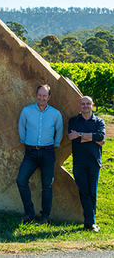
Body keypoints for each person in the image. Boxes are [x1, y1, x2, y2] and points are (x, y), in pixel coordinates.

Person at [16, 84, 63, 224]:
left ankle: (45, 217)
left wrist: (55, 144)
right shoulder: (26, 111)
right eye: (39, 95)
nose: (41, 98)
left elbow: (59, 130)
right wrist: (24, 140)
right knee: (21, 180)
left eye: (44, 95)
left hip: (48, 152)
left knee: (47, 185)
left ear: (49, 97)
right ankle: (29, 213)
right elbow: (21, 126)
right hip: (30, 152)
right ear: (36, 95)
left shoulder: (55, 113)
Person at [68, 96, 105, 232]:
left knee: (92, 192)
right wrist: (92, 138)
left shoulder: (99, 121)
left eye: (88, 103)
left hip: (94, 161)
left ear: (92, 105)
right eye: (83, 104)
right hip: (79, 162)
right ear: (79, 105)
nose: (85, 106)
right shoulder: (73, 120)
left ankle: (90, 222)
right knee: (84, 191)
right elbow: (73, 138)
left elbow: (100, 136)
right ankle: (90, 222)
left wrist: (80, 134)